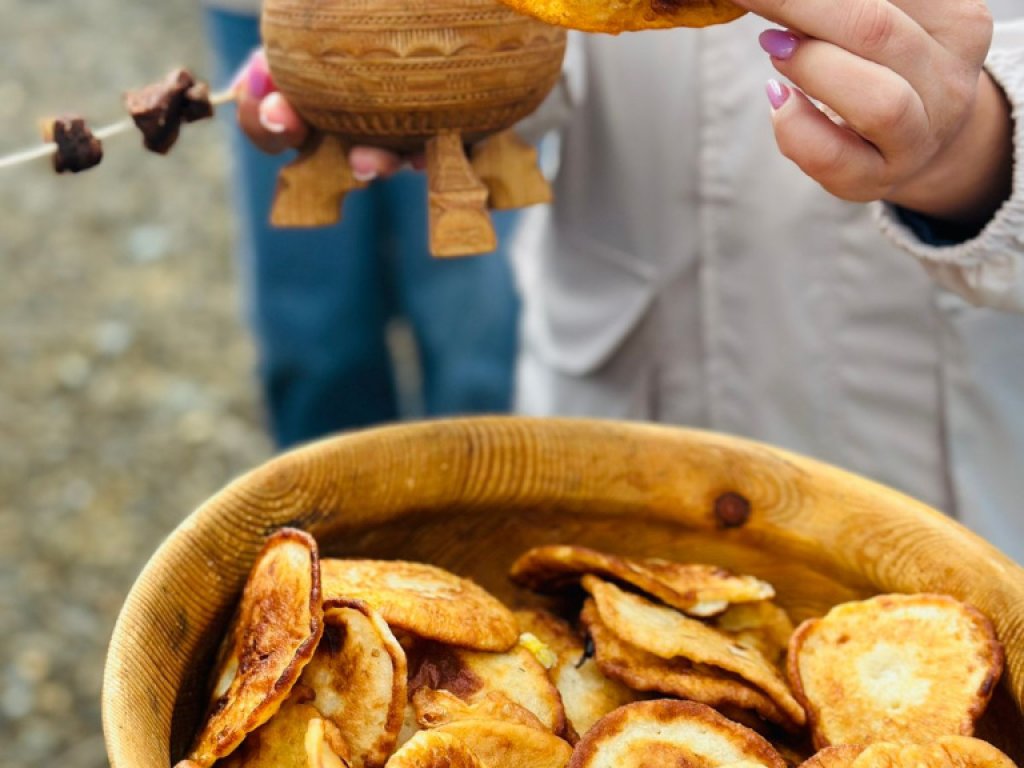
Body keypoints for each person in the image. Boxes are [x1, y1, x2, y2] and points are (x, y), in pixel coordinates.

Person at [234, 0, 1024, 563]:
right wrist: (432, 63)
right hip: (616, 458)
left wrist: (981, 152)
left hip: (956, 482)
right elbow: (559, 53)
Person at [201, 2, 523, 449]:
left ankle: (483, 502)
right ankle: (337, 513)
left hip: (463, 20)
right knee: (318, 351)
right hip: (266, 16)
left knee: (473, 344)